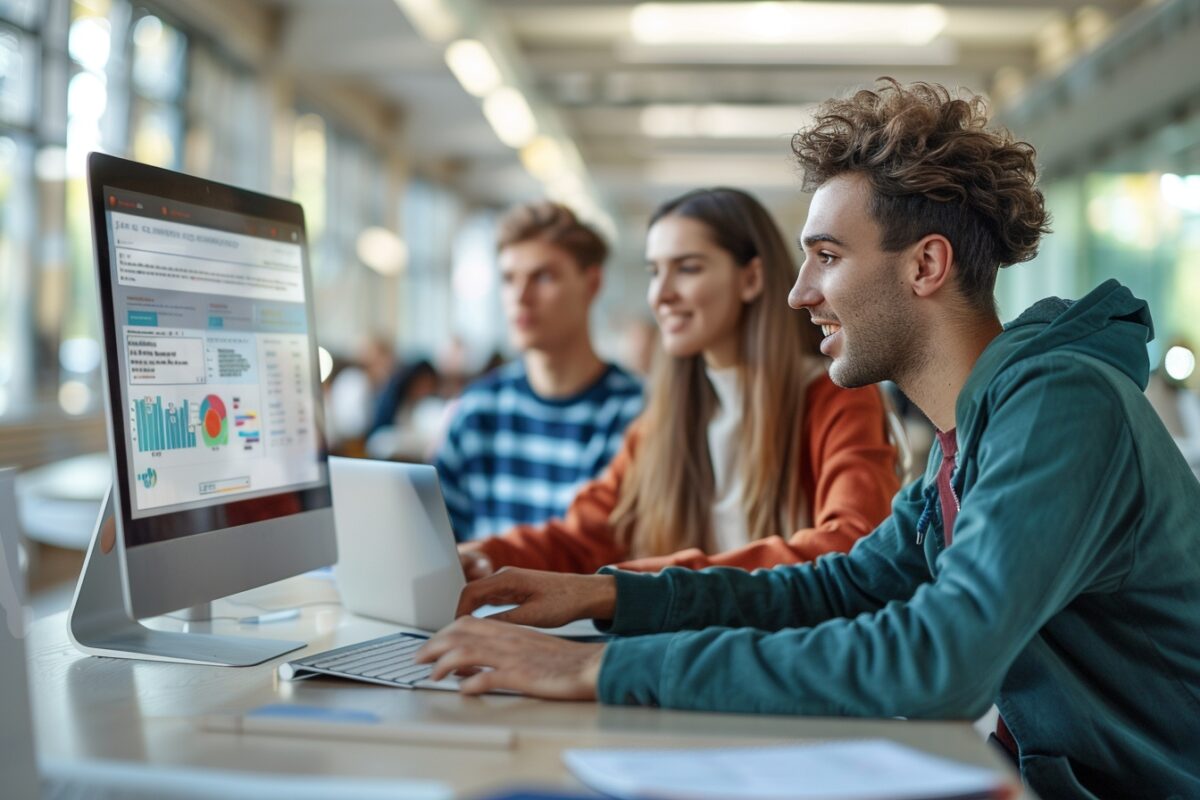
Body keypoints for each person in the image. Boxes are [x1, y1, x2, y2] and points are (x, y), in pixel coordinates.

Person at [417, 80, 1200, 799]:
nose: (800, 294)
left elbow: (940, 661)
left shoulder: (1061, 404)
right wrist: (614, 594)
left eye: (827, 257)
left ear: (927, 264)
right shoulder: (972, 434)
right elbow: (841, 587)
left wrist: (606, 666)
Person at [458, 187, 900, 580]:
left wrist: (644, 586)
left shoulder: (835, 399)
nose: (661, 295)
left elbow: (851, 546)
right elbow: (586, 538)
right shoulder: (663, 419)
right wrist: (487, 556)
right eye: (654, 272)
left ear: (751, 278)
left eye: (687, 268)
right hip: (680, 651)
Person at [435, 201, 643, 541]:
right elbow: (437, 543)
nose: (520, 296)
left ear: (591, 284)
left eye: (543, 277)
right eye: (508, 279)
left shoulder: (636, 413)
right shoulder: (477, 410)